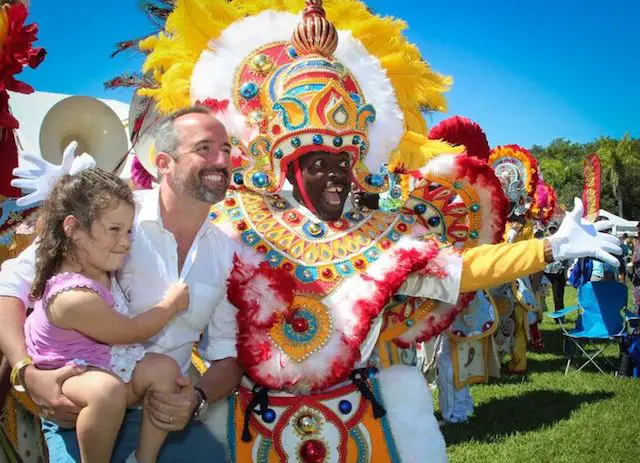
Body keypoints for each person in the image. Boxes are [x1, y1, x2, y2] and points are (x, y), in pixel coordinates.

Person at [125, 1, 622, 460]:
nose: (338, 176)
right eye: (320, 162)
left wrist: (550, 247)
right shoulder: (234, 224)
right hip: (254, 423)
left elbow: (462, 270)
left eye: (344, 162)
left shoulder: (385, 233)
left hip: (359, 418)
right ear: (288, 164)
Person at [0, 106, 245, 462]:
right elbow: (10, 285)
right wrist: (26, 371)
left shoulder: (228, 254)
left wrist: (196, 399)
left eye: (226, 149)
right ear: (164, 162)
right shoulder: (109, 216)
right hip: (83, 409)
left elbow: (227, 355)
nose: (221, 159)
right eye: (204, 148)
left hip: (161, 421)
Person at [24, 168, 190, 463]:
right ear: (73, 229)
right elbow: (132, 331)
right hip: (68, 383)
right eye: (114, 229)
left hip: (107, 365)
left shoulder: (100, 268)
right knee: (106, 392)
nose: (126, 241)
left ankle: (143, 459)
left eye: (128, 231)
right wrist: (172, 305)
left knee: (165, 369)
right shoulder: (73, 298)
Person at [543, 222, 567, 321]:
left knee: (558, 297)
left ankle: (559, 318)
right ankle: (538, 318)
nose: (552, 231)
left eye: (554, 229)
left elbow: (567, 256)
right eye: (550, 229)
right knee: (540, 297)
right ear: (547, 230)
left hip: (558, 272)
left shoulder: (562, 241)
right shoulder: (544, 241)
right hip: (546, 272)